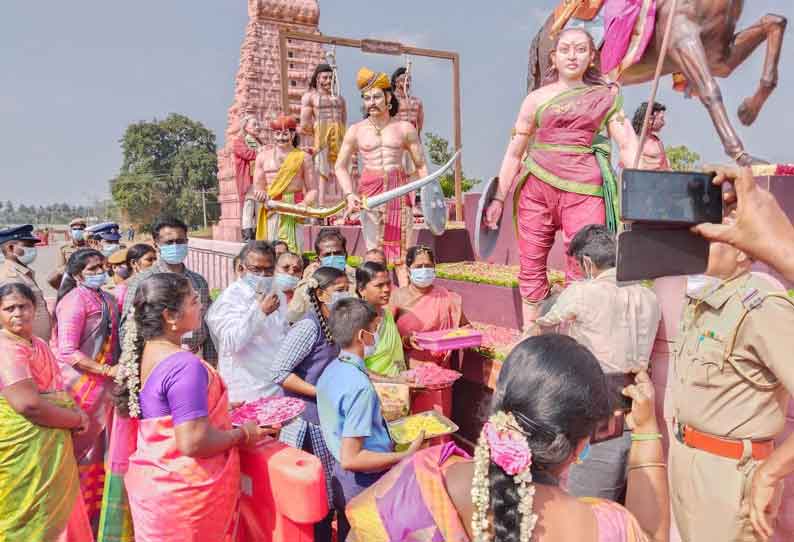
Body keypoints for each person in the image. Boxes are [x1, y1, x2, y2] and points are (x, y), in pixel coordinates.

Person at [345, 334, 669, 542]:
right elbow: (650, 535)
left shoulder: (426, 479)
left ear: (499, 404)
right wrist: (646, 432)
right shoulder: (604, 526)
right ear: (581, 446)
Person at [484, 28, 638, 328]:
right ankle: (531, 339)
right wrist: (498, 198)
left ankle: (574, 345)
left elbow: (628, 144)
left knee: (583, 266)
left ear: (592, 56)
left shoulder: (605, 97)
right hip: (535, 188)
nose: (572, 55)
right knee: (530, 268)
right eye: (565, 49)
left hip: (584, 189)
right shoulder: (535, 99)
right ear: (553, 58)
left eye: (580, 49)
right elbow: (514, 152)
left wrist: (639, 195)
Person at [112, 273, 275, 541]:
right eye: (194, 300)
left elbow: (165, 409)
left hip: (156, 485)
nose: (201, 305)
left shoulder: (148, 351)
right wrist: (244, 433)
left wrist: (216, 408)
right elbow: (192, 442)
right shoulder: (184, 365)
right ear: (170, 316)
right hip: (184, 496)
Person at [668, 207, 794, 541]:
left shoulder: (763, 305)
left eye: (710, 236)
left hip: (729, 475)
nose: (696, 243)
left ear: (741, 249)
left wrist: (770, 474)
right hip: (688, 462)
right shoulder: (703, 299)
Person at [534, 224, 661, 501]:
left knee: (590, 509)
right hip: (642, 411)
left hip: (599, 412)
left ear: (588, 262)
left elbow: (541, 332)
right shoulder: (650, 297)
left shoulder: (583, 292)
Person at [318, 297, 427, 540]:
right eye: (375, 330)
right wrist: (404, 456)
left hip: (340, 479)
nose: (377, 337)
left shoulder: (333, 368)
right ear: (362, 336)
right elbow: (352, 457)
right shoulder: (360, 388)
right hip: (362, 482)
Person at [0, 283, 94, 541]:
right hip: (23, 448)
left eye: (24, 306)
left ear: (35, 309)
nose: (18, 313)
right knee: (26, 511)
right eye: (9, 308)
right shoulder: (6, 348)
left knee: (55, 507)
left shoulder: (39, 343)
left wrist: (75, 411)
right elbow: (29, 405)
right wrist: (75, 419)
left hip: (52, 446)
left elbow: (57, 388)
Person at [271, 266, 348, 541]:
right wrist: (321, 392)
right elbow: (279, 372)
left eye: (347, 288)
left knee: (328, 494)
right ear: (320, 293)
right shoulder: (307, 326)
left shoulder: (336, 322)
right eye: (339, 290)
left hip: (327, 418)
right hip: (307, 424)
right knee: (314, 498)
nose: (345, 294)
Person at [53, 248, 121, 533]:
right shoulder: (72, 301)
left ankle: (98, 518)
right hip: (81, 388)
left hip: (106, 391)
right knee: (83, 453)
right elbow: (67, 350)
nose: (99, 272)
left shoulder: (108, 298)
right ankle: (75, 522)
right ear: (79, 274)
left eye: (102, 267)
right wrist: (105, 370)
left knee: (103, 453)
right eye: (92, 269)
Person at [337, 67, 429, 265]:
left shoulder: (404, 128)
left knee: (402, 256)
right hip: (369, 195)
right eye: (367, 98)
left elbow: (421, 165)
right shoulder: (356, 130)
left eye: (376, 97)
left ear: (388, 98)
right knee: (374, 254)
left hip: (398, 193)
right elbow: (340, 167)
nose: (371, 102)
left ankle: (403, 294)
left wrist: (427, 197)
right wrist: (349, 194)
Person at [121, 216, 216, 365]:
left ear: (187, 242)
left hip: (196, 356)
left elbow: (208, 322)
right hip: (158, 361)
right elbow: (128, 329)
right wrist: (135, 366)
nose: (175, 246)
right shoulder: (143, 281)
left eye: (180, 241)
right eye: (169, 242)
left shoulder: (198, 281)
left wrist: (210, 360)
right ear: (156, 245)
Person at [206, 242, 286, 403]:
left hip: (275, 386)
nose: (263, 275)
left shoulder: (275, 293)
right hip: (245, 391)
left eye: (269, 270)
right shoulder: (229, 300)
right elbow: (232, 341)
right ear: (241, 269)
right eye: (256, 270)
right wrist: (261, 312)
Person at [250, 115, 318, 252]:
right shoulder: (262, 157)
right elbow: (258, 187)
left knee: (294, 251)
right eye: (278, 134)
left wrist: (303, 205)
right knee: (271, 250)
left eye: (285, 133)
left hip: (294, 208)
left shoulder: (303, 157)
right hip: (272, 207)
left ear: (293, 134)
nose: (281, 138)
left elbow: (313, 190)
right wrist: (260, 194)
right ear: (273, 135)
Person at [392, 245, 467, 367]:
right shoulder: (397, 297)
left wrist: (461, 337)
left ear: (434, 268)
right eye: (418, 266)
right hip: (406, 369)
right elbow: (385, 336)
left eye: (428, 266)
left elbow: (465, 327)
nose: (424, 270)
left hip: (441, 370)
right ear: (408, 270)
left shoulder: (446, 296)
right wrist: (406, 341)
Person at [300, 63, 347, 206]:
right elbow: (304, 123)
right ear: (317, 79)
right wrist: (315, 132)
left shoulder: (340, 98)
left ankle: (347, 204)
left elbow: (344, 119)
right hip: (321, 134)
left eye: (331, 78)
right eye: (325, 78)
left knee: (343, 168)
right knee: (321, 171)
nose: (328, 81)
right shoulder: (310, 97)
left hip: (339, 133)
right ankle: (320, 206)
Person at [288, 228, 356, 322]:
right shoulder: (310, 283)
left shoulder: (358, 279)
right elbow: (293, 316)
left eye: (337, 253)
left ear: (346, 254)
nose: (333, 257)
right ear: (318, 259)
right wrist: (308, 287)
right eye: (327, 255)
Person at [0, 225, 52, 341]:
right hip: (22, 344)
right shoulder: (10, 278)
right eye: (28, 245)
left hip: (33, 344)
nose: (33, 249)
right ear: (11, 248)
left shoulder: (23, 273)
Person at [355, 261, 405, 377]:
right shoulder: (354, 320)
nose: (387, 289)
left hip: (395, 388)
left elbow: (394, 353)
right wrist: (387, 380)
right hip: (370, 389)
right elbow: (352, 364)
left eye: (388, 284)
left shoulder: (386, 315)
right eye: (379, 285)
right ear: (361, 289)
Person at [391, 66, 425, 181]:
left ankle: (412, 198)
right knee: (396, 175)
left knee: (413, 175)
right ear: (396, 81)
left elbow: (419, 123)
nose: (407, 82)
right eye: (403, 79)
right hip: (395, 143)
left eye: (409, 79)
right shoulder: (390, 100)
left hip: (412, 143)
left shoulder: (416, 102)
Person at [234, 115, 264, 241]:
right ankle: (247, 235)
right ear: (245, 127)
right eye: (254, 124)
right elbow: (246, 154)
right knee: (248, 207)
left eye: (258, 124)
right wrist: (261, 152)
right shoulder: (239, 142)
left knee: (259, 207)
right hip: (248, 179)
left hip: (259, 180)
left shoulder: (260, 142)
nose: (258, 127)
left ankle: (258, 234)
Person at [49, 217, 89, 289]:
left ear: (84, 231)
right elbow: (60, 268)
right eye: (75, 229)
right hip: (71, 282)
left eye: (80, 229)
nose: (77, 231)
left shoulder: (90, 246)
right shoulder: (64, 248)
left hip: (87, 280)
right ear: (70, 231)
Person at [633, 102, 670, 170]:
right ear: (650, 119)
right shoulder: (633, 141)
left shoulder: (658, 143)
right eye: (661, 118)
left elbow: (666, 169)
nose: (664, 123)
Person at [105, 248, 131, 312]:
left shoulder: (126, 284)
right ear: (114, 267)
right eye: (127, 264)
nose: (131, 267)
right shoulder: (110, 288)